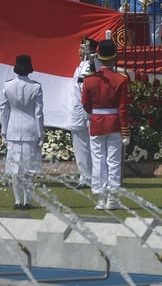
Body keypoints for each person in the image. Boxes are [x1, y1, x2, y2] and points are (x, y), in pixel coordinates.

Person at [81, 39, 131, 210]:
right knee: (113, 161)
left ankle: (101, 198)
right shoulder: (121, 79)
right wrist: (126, 131)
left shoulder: (89, 80)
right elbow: (123, 108)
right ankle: (112, 198)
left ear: (99, 58)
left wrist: (94, 115)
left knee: (98, 161)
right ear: (114, 58)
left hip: (96, 123)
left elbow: (86, 105)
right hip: (114, 124)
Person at [1, 54, 44, 210]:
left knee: (15, 168)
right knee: (28, 167)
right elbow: (39, 113)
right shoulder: (36, 86)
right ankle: (27, 200)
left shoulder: (8, 85)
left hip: (13, 128)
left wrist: (3, 132)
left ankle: (18, 200)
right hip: (30, 128)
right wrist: (41, 134)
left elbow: (3, 111)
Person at [69, 38, 96, 188]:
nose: (79, 51)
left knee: (92, 144)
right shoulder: (80, 65)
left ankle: (92, 176)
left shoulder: (89, 66)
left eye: (82, 48)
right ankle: (85, 175)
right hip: (78, 111)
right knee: (80, 145)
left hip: (86, 111)